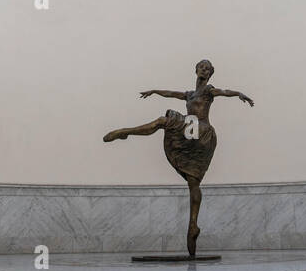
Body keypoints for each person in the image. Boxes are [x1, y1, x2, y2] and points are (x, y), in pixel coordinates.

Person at [104, 59, 254, 256]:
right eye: (201, 67)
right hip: (191, 133)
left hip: (202, 130)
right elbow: (170, 93)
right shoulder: (189, 95)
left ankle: (125, 131)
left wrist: (239, 94)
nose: (204, 70)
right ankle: (193, 225)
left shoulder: (209, 91)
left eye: (208, 69)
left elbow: (225, 92)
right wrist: (155, 91)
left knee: (163, 121)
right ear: (196, 70)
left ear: (210, 74)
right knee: (193, 181)